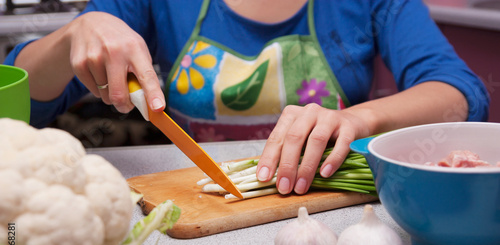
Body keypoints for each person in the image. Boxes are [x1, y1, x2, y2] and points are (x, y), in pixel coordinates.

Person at [4, 0, 489, 196]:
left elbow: (461, 94)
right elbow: (23, 106)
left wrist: (360, 119)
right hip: (206, 198)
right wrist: (73, 35)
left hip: (319, 200)